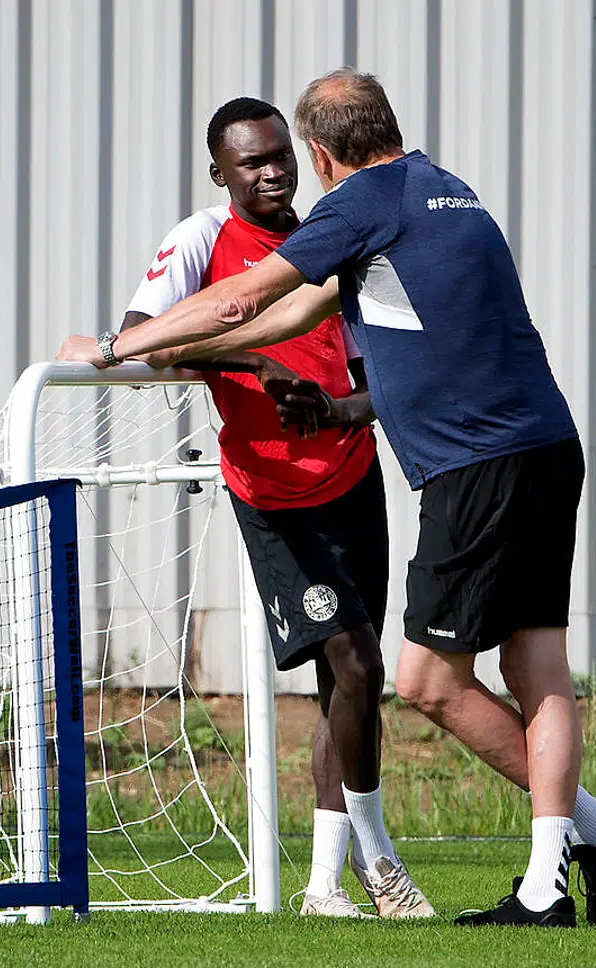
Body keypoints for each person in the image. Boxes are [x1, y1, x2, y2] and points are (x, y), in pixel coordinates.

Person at [58, 69, 596, 928]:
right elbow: (282, 319)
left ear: (320, 154)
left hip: (472, 464)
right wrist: (214, 354)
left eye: (290, 156)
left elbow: (242, 298)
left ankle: (594, 832)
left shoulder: (360, 202)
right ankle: (553, 878)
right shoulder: (449, 190)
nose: (278, 173)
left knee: (425, 681)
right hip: (547, 447)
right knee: (536, 666)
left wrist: (115, 346)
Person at [109, 96, 431, 919]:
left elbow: (383, 381)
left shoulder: (333, 237)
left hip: (353, 476)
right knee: (357, 664)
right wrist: (258, 364)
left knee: (350, 684)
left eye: (281, 154)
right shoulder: (202, 238)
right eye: (251, 161)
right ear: (220, 172)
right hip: (275, 497)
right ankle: (381, 862)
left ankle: (323, 884)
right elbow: (142, 336)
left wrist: (335, 411)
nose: (273, 171)